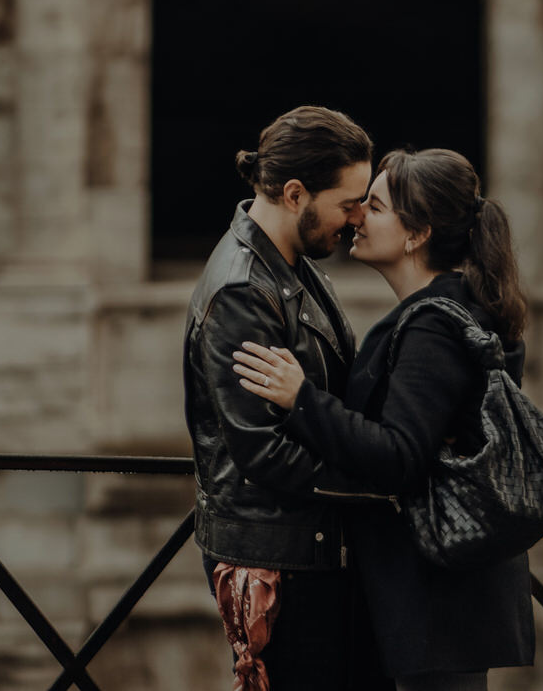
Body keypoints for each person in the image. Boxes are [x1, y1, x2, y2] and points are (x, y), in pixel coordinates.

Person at [232, 148, 535, 691]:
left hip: (434, 599)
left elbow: (399, 457)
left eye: (373, 207)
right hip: (444, 592)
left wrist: (302, 398)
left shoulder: (433, 329)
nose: (355, 217)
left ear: (416, 233)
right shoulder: (457, 309)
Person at [183, 105, 375, 691]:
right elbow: (261, 451)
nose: (358, 218)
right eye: (349, 202)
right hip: (282, 559)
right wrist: (376, 479)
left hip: (306, 546)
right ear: (295, 194)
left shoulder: (288, 261)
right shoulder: (245, 289)